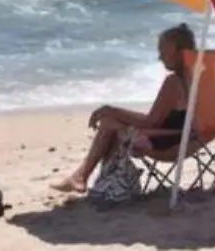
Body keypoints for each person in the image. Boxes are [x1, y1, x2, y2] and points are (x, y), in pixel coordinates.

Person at [50, 23, 196, 193]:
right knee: (111, 121)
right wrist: (113, 112)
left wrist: (110, 110)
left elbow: (152, 121)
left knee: (109, 124)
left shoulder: (174, 82)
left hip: (169, 142)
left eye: (163, 51)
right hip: (189, 137)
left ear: (179, 51)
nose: (160, 57)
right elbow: (158, 119)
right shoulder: (198, 76)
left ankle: (88, 179)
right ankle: (93, 180)